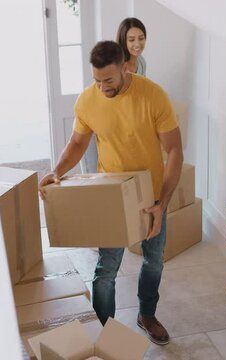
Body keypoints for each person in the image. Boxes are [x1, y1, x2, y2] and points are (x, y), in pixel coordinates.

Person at [39, 41, 183, 346]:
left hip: (151, 195)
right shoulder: (87, 101)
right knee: (107, 269)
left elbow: (174, 151)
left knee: (154, 260)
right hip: (114, 197)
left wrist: (162, 204)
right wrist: (57, 171)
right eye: (96, 80)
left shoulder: (153, 96)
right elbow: (78, 143)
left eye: (109, 80)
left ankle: (147, 314)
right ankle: (106, 335)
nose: (102, 87)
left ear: (125, 68)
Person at [80, 18, 149, 174]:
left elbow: (139, 97)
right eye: (131, 39)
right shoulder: (116, 65)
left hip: (117, 128)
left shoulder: (142, 62)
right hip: (98, 125)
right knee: (93, 178)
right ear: (123, 40)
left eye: (141, 38)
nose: (137, 44)